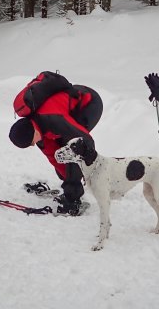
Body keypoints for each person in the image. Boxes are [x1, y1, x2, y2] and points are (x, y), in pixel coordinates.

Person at [8, 77, 103, 215]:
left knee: (73, 148)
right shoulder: (38, 133)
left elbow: (85, 140)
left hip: (89, 102)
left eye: (31, 142)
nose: (33, 145)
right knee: (65, 155)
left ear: (33, 131)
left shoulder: (52, 119)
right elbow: (53, 156)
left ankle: (73, 202)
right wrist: (68, 177)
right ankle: (72, 189)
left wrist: (85, 172)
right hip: (66, 110)